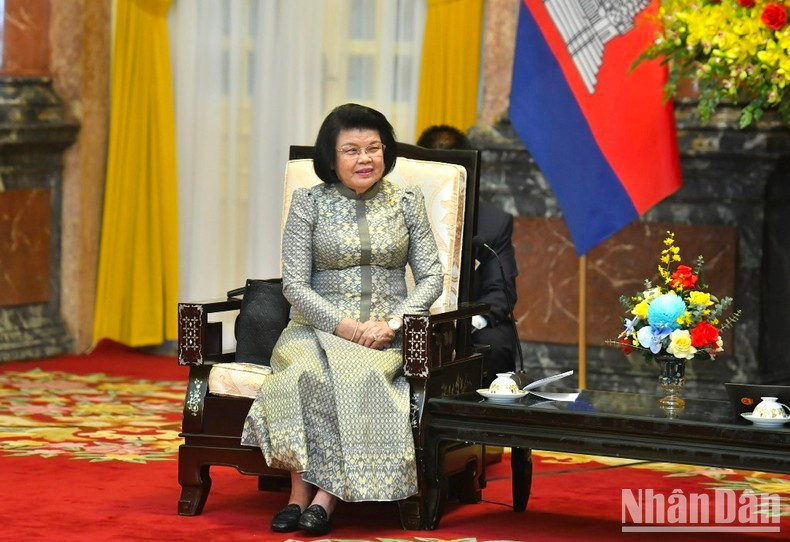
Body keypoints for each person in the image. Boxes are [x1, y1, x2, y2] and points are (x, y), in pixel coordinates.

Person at [242, 104, 443, 536]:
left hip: (382, 334)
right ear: (331, 158)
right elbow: (294, 285)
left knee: (354, 376)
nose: (364, 158)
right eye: (351, 150)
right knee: (301, 375)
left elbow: (431, 278)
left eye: (373, 147)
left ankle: (324, 500)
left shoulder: (407, 202)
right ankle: (297, 497)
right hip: (313, 328)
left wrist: (392, 323)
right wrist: (346, 328)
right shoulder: (308, 203)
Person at [417, 125, 519, 386]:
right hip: (407, 319)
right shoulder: (397, 210)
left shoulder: (493, 222)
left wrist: (465, 324)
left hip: (468, 324)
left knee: (497, 344)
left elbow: (500, 291)